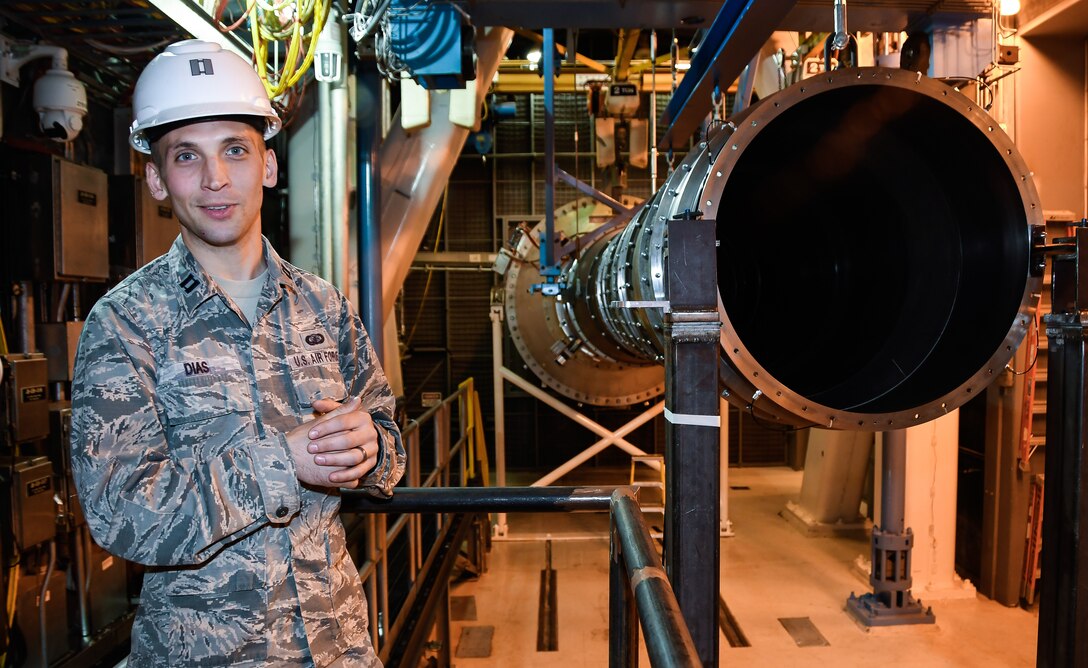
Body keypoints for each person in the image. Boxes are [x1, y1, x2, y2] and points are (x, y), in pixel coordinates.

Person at [69, 39, 404, 667]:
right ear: (155, 178)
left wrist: (371, 448)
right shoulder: (125, 324)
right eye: (186, 156)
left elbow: (389, 436)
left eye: (235, 151)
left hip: (340, 650)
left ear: (268, 166)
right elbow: (119, 516)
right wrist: (283, 462)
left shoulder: (323, 307)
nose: (215, 179)